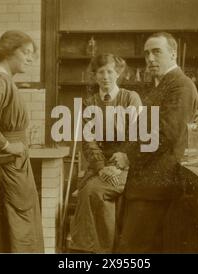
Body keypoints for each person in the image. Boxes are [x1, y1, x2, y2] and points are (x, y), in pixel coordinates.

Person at [115, 32, 198, 253]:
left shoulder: (181, 85)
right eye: (146, 53)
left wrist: (128, 156)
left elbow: (166, 133)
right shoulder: (161, 85)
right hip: (145, 183)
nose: (150, 58)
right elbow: (143, 130)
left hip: (156, 185)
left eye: (156, 52)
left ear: (173, 53)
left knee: (133, 251)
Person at [0, 30, 44, 253]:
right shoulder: (0, 82)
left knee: (19, 227)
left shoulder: (5, 81)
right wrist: (6, 145)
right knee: (14, 229)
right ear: (9, 51)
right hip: (9, 165)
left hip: (15, 164)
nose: (30, 59)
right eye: (26, 52)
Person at [69, 54, 142, 253]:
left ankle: (99, 250)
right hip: (100, 168)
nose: (106, 76)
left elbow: (138, 135)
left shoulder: (130, 98)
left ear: (118, 73)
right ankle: (93, 250)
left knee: (94, 192)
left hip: (127, 166)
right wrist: (101, 168)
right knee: (90, 191)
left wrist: (120, 164)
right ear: (94, 76)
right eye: (101, 72)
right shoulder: (89, 103)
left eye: (110, 71)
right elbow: (88, 140)